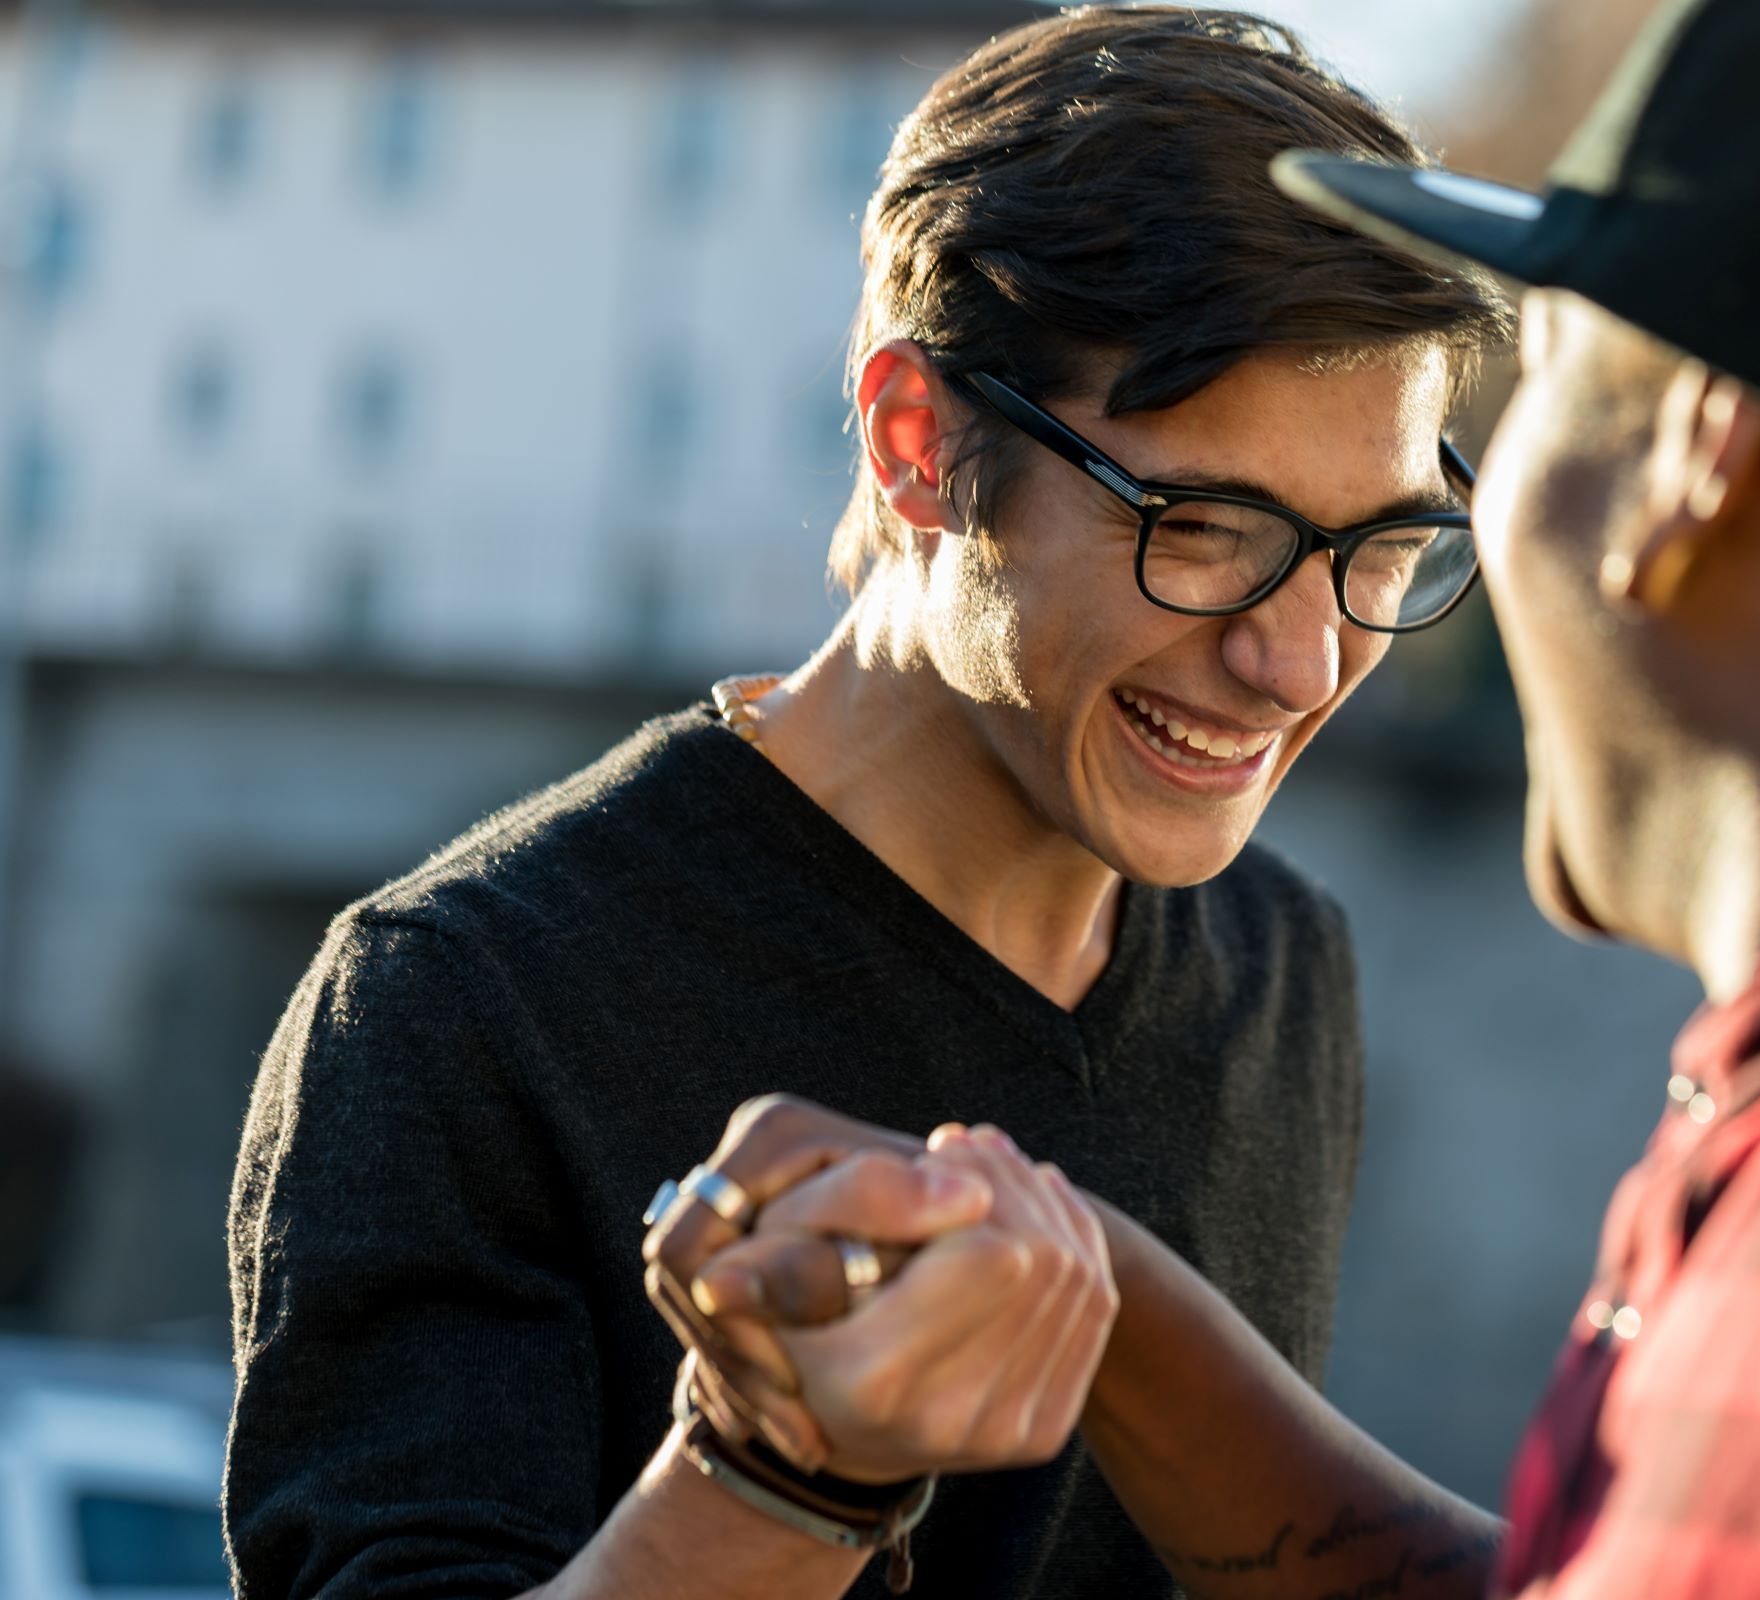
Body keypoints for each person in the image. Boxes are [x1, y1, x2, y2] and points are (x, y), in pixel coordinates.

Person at [659, 0, 1760, 1593]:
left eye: (1537, 380)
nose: (1301, 652)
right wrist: (1090, 1299)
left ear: (1693, 454)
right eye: (1206, 527)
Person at [222, 9, 1511, 1600]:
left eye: (1380, 545)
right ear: (918, 443)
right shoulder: (460, 1000)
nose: (1301, 658)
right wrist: (770, 1477)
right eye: (1207, 526)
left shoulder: (1279, 963)